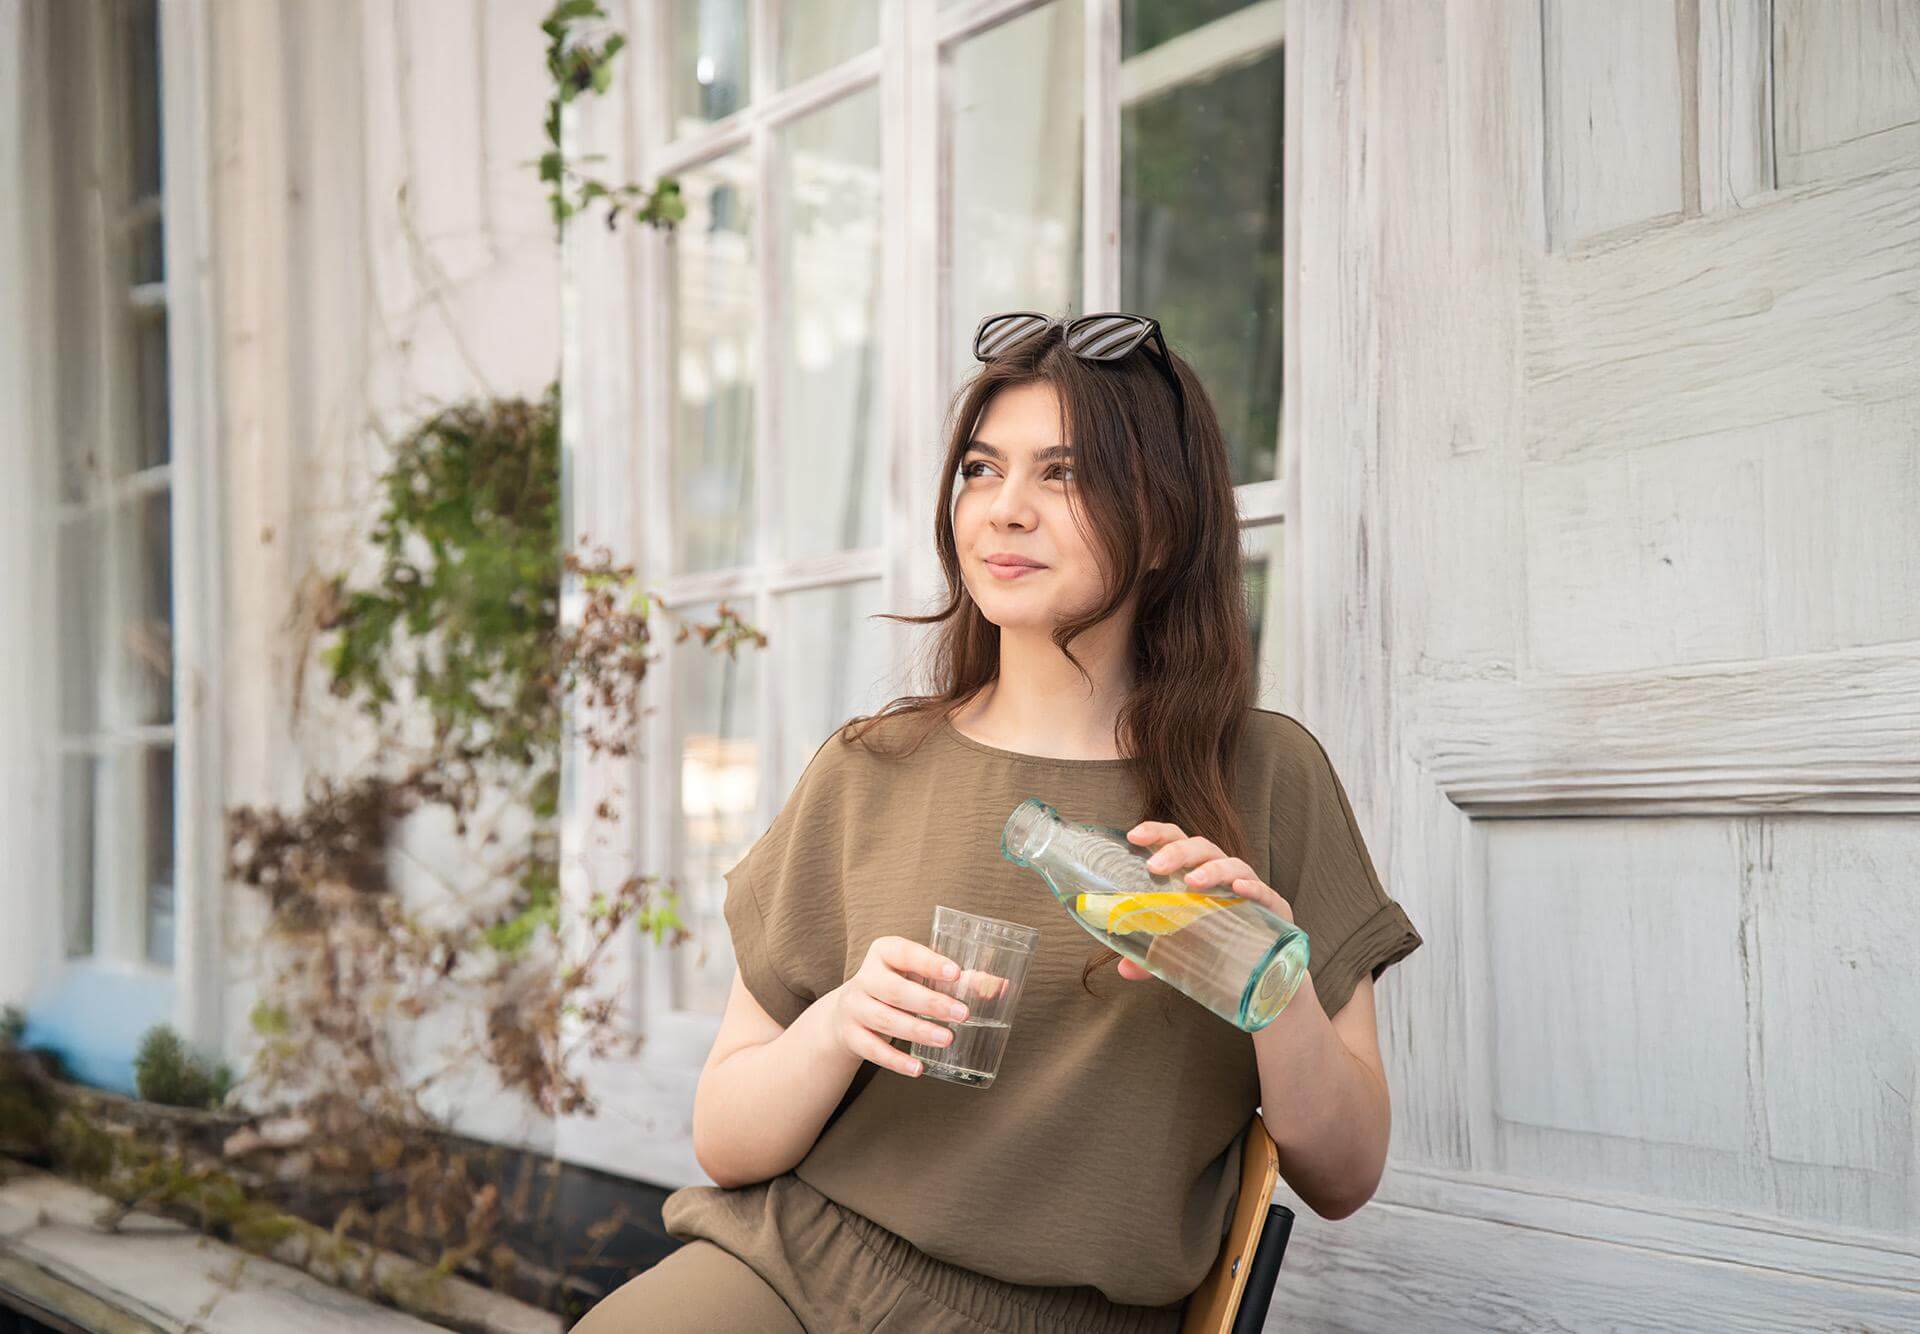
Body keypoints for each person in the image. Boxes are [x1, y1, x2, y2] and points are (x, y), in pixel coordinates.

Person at [573, 312, 1423, 1333]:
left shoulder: (1268, 777)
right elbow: (726, 1135)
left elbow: (1344, 1171)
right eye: (982, 469)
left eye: (1062, 474)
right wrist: (842, 1020)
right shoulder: (868, 769)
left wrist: (1272, 978)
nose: (1004, 510)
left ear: (1164, 520)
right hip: (801, 1270)